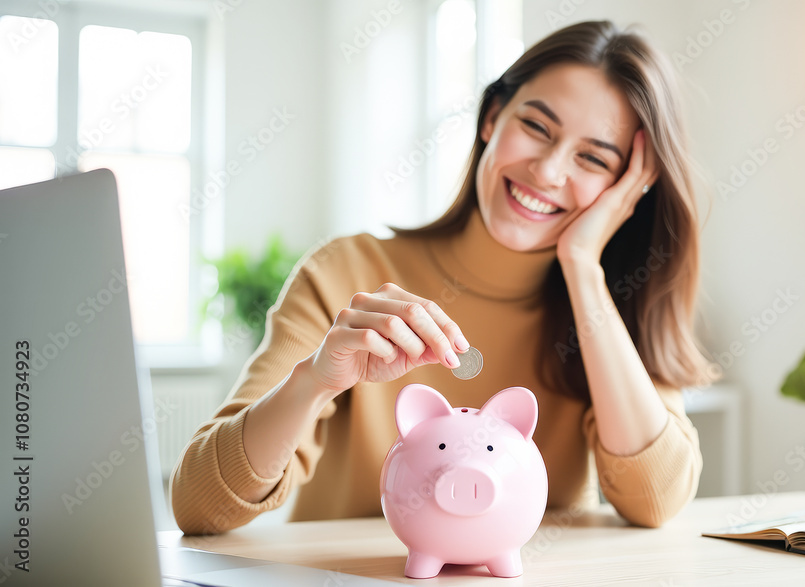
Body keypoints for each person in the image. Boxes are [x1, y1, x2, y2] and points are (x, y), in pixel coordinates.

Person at [170, 19, 714, 536]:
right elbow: (198, 505)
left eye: (593, 160)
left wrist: (582, 267)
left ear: (625, 189)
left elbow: (655, 501)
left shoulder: (614, 305)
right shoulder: (347, 272)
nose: (548, 172)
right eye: (535, 127)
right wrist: (315, 380)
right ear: (492, 117)